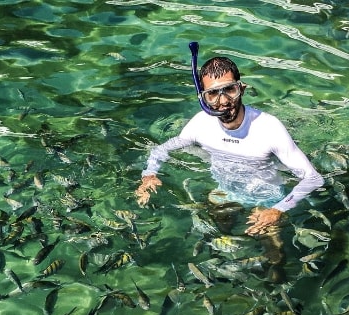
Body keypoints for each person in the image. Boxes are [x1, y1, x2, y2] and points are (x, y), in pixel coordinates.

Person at [135, 54, 324, 238]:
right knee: (215, 238)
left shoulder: (269, 128)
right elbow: (162, 149)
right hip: (224, 192)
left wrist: (278, 209)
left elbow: (313, 179)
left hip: (267, 197)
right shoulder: (200, 124)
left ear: (242, 88)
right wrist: (149, 175)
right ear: (203, 98)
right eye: (213, 94)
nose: (224, 101)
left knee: (272, 251)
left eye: (229, 90)